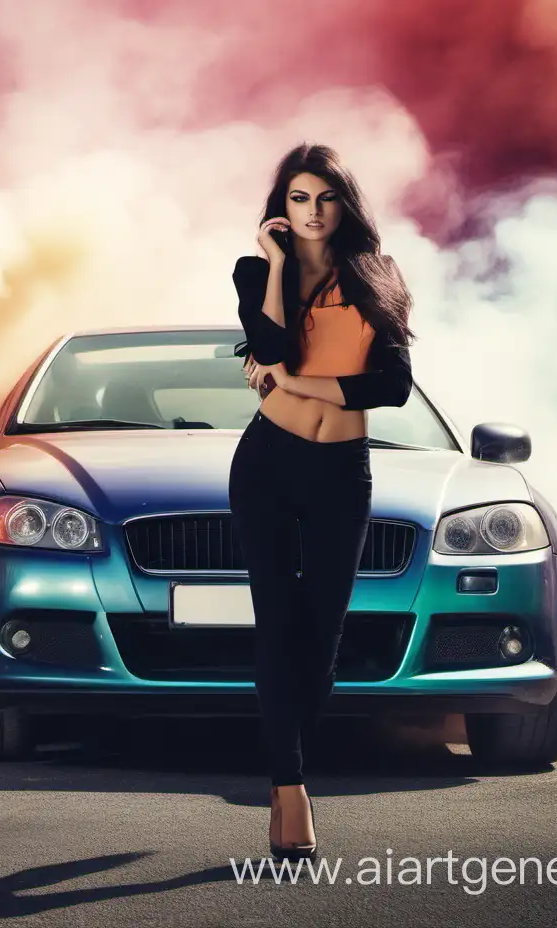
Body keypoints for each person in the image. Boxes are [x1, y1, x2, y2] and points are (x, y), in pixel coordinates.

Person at [228, 142, 417, 861]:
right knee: (277, 629)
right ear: (282, 207)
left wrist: (296, 383)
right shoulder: (255, 271)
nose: (312, 212)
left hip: (342, 469)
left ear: (344, 204)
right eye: (299, 198)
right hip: (268, 465)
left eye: (324, 198)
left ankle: (286, 756)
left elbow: (392, 386)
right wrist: (275, 267)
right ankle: (288, 789)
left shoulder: (377, 276)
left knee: (325, 638)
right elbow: (269, 342)